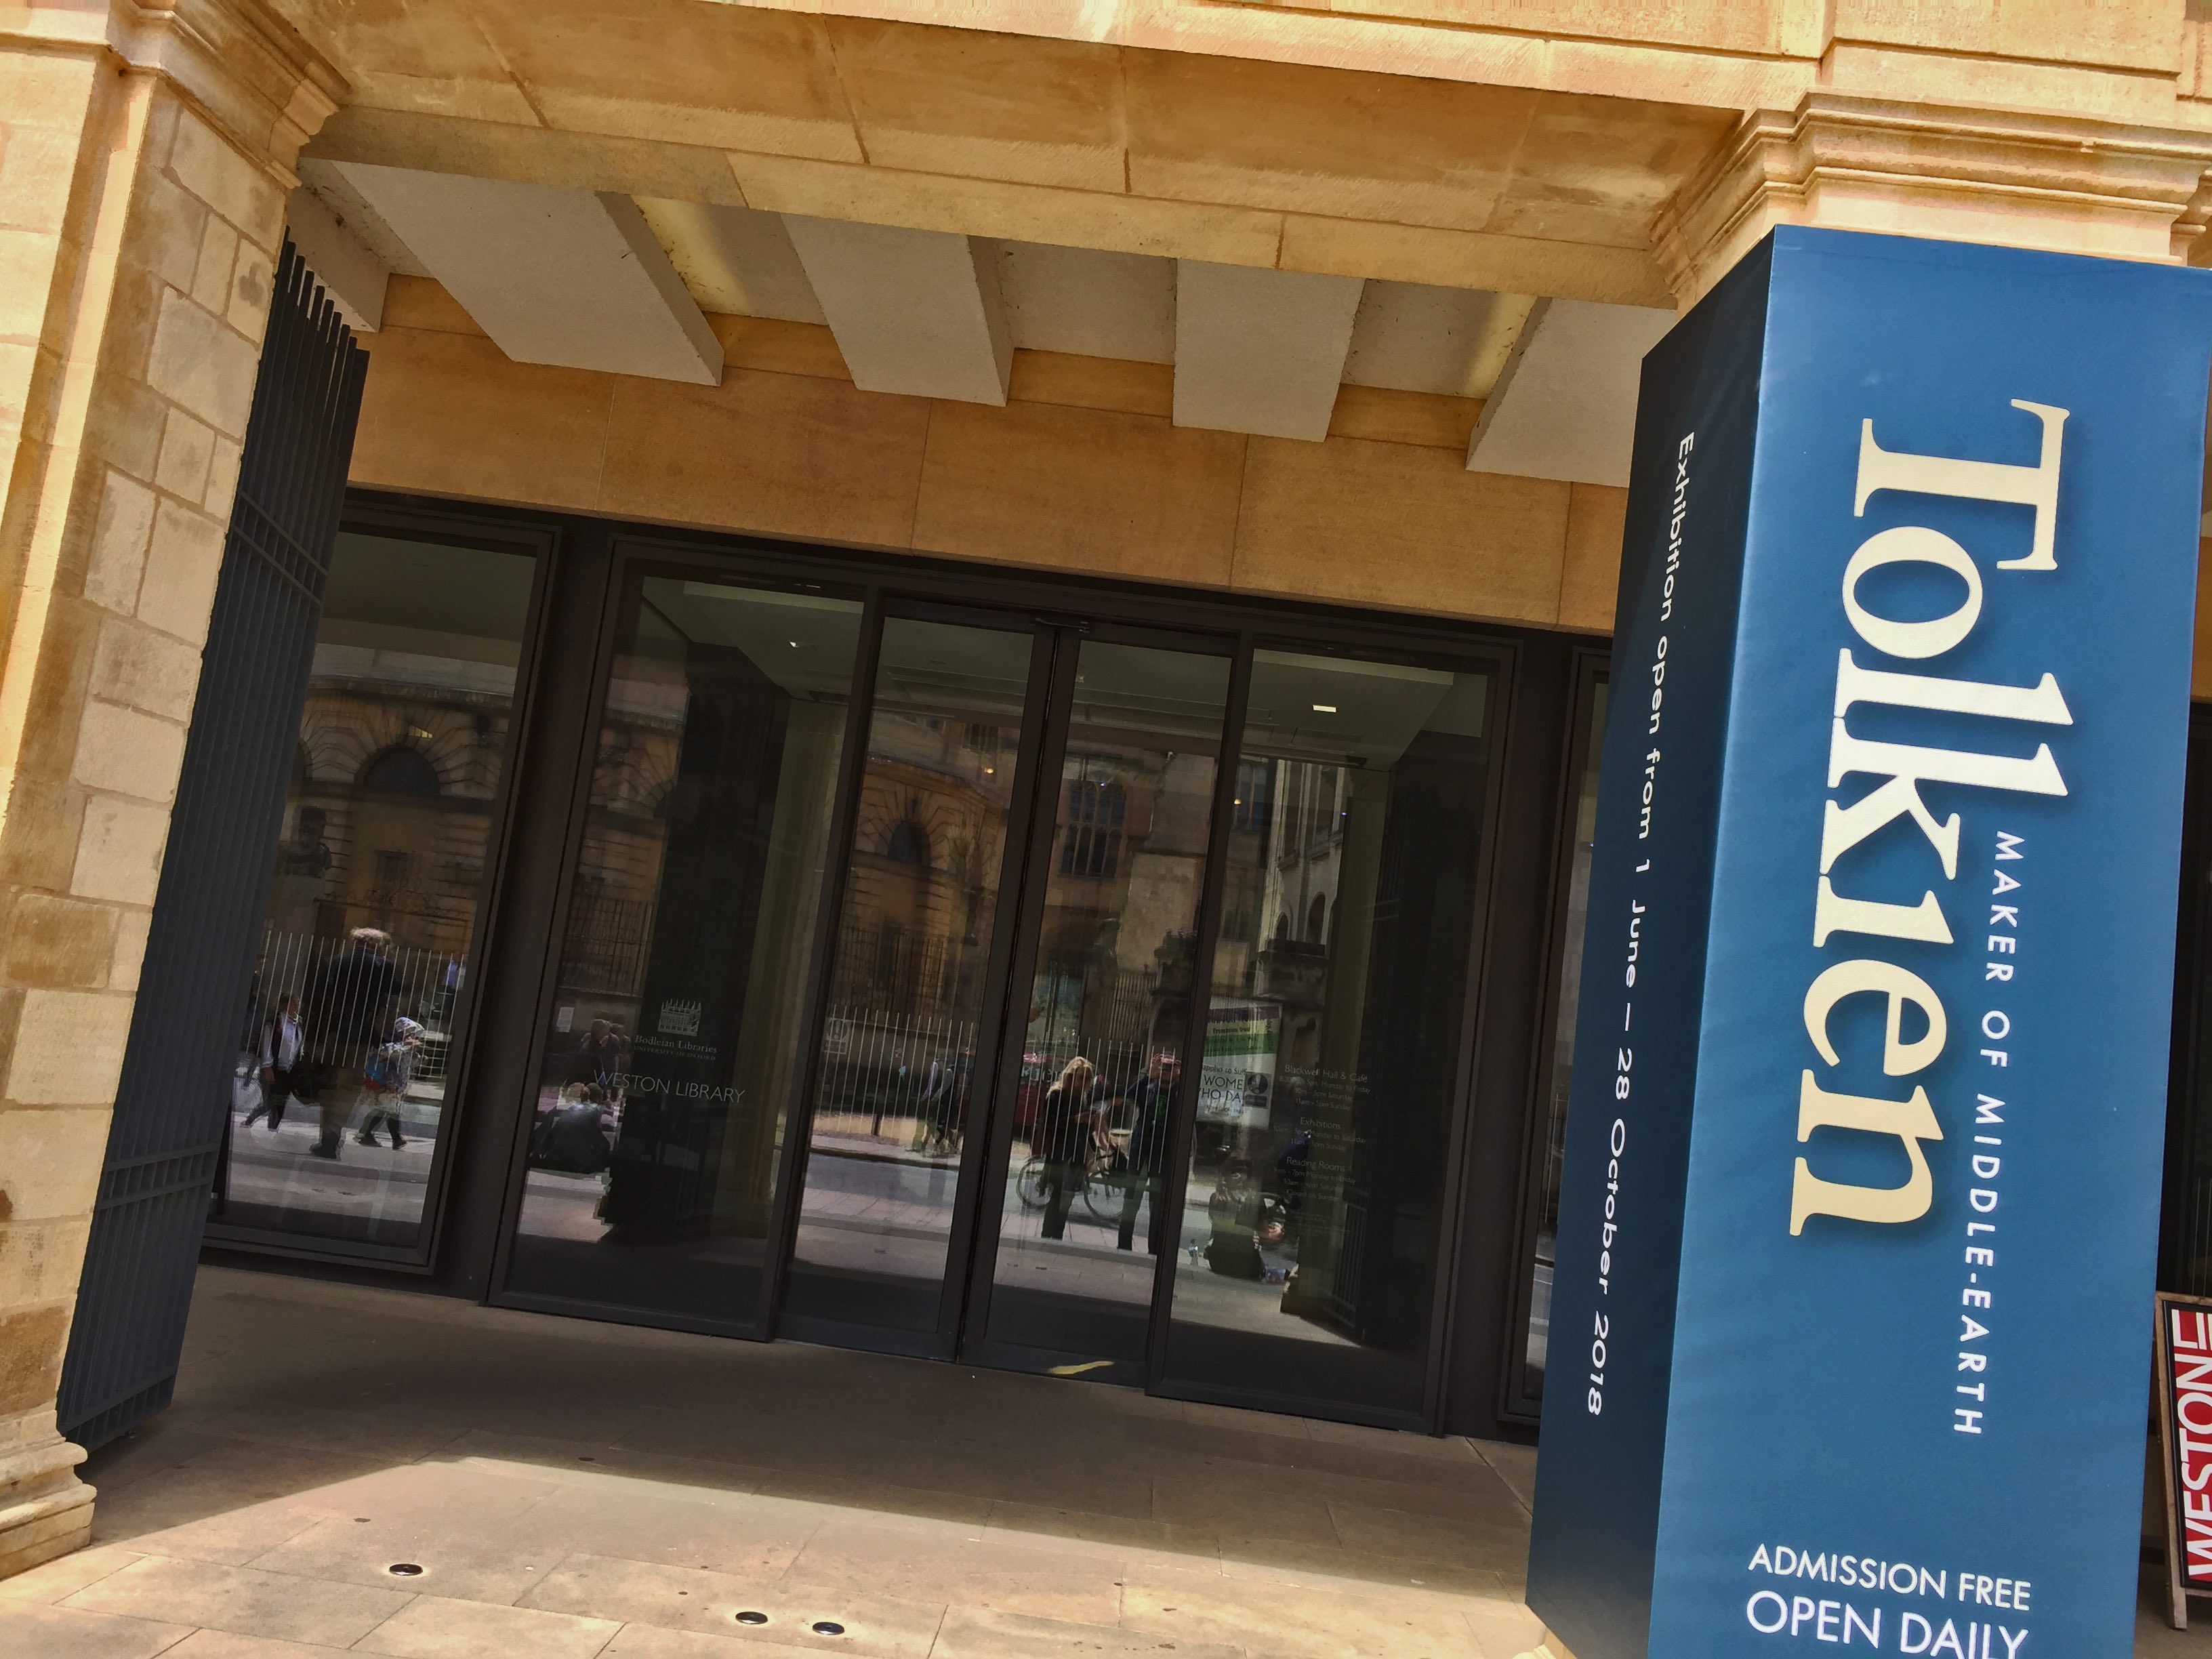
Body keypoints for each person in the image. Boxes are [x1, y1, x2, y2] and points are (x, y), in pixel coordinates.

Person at [302, 927, 402, 1160]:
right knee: (348, 1087)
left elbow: (315, 1000)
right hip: (362, 1037)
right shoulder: (385, 967)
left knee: (329, 1083)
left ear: (355, 943)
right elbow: (397, 993)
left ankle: (326, 1136)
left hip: (331, 1033)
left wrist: (311, 1035)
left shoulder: (333, 963)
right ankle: (334, 1132)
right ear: (377, 946)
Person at [1115, 1052, 1179, 1254]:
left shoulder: (1179, 1093)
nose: (1166, 1071)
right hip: (1140, 1150)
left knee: (1157, 1205)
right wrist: (1148, 1075)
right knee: (1131, 1200)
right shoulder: (1149, 1088)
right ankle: (1123, 1247)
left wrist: (1180, 1078)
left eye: (1170, 1067)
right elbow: (1129, 1096)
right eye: (1163, 1066)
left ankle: (1155, 1251)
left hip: (1163, 1154)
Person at [1036, 1056, 1097, 1242]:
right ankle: (1048, 1236)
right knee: (1057, 1197)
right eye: (1082, 1078)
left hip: (1076, 1153)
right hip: (1059, 1152)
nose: (1085, 1083)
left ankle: (1057, 1237)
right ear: (1071, 1076)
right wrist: (1075, 1120)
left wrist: (1089, 1123)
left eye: (1088, 1079)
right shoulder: (1057, 1095)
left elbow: (1082, 1131)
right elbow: (1048, 1125)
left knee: (1067, 1199)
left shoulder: (1081, 1098)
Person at [356, 1017, 424, 1149]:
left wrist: (415, 1054)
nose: (411, 1036)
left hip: (398, 1085)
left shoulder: (408, 1049)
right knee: (390, 1110)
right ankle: (395, 1139)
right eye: (408, 1032)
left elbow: (412, 1064)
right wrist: (405, 1045)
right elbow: (385, 1052)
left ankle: (367, 1133)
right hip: (388, 1083)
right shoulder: (394, 1044)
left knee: (385, 1110)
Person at [242, 993, 305, 1131]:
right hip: (273, 1068)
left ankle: (271, 1127)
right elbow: (266, 1044)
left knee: (280, 1103)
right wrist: (267, 1067)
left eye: (298, 1003)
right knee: (271, 1101)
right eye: (293, 1003)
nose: (297, 1006)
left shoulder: (299, 1023)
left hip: (288, 1071)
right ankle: (259, 1123)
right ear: (285, 1005)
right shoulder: (275, 1022)